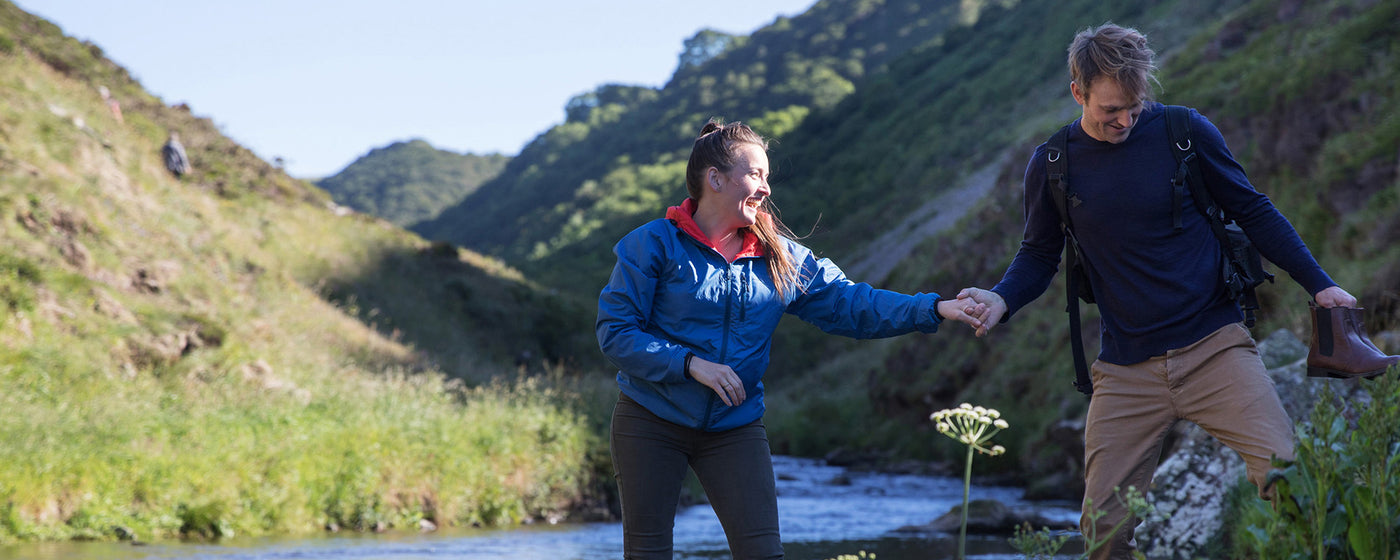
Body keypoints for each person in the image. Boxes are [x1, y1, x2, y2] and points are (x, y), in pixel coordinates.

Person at [952, 23, 1362, 559]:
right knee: (1103, 534)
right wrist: (1001, 299)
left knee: (1294, 485)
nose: (1125, 120)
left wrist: (1321, 285)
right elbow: (1037, 254)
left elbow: (1253, 210)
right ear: (1078, 92)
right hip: (1125, 370)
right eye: (1111, 109)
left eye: (1134, 106)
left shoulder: (1184, 133)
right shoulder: (1053, 164)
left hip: (1215, 348)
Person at [596, 120, 984, 559]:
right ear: (715, 179)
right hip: (650, 419)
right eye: (755, 174)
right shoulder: (651, 245)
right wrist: (691, 364)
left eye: (767, 177)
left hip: (734, 426)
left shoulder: (780, 257)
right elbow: (616, 332)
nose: (765, 188)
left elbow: (851, 303)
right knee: (647, 554)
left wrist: (934, 308)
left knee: (764, 554)